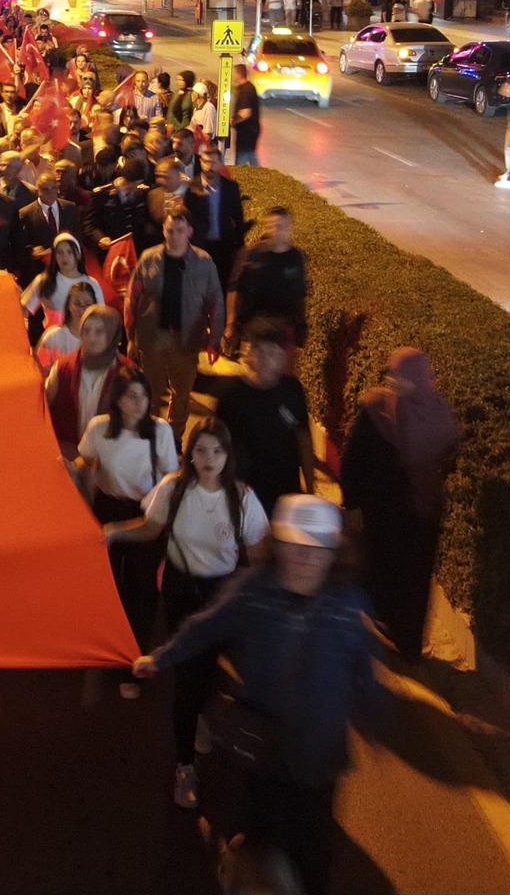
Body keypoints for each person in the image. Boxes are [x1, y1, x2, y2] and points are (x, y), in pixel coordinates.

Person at [133, 495, 379, 895]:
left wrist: (375, 712)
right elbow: (204, 627)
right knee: (260, 843)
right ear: (277, 545)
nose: (307, 558)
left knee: (314, 854)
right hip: (262, 749)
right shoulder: (253, 592)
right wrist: (162, 657)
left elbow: (363, 667)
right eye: (296, 546)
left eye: (319, 548)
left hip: (320, 755)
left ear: (334, 553)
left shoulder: (347, 605)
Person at [104, 418, 269, 810]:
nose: (209, 458)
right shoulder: (174, 488)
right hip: (181, 590)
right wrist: (114, 531)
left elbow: (259, 556)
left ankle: (198, 713)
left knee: (208, 669)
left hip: (221, 595)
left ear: (228, 455)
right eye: (201, 450)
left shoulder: (242, 498)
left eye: (217, 450)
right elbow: (151, 528)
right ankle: (184, 765)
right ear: (189, 453)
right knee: (188, 673)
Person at [340, 347, 460, 661]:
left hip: (421, 517)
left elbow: (447, 462)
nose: (393, 381)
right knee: (379, 572)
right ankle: (374, 630)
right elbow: (353, 459)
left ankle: (408, 645)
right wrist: (352, 503)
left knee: (414, 583)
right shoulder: (376, 408)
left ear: (418, 377)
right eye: (392, 373)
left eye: (401, 375)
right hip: (382, 514)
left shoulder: (438, 413)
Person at [74, 372, 177, 660]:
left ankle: (135, 650)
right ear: (117, 399)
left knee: (141, 585)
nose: (139, 403)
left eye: (144, 396)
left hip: (144, 511)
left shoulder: (160, 431)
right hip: (107, 506)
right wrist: (70, 468)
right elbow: (85, 460)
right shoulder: (100, 428)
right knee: (106, 580)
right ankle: (105, 641)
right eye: (132, 396)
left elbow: (170, 477)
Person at [205, 321, 318, 517]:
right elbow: (216, 445)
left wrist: (310, 487)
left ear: (282, 358)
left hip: (285, 493)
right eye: (260, 351)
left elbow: (303, 439)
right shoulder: (230, 394)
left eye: (273, 353)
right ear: (248, 353)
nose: (265, 359)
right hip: (243, 493)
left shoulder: (292, 391)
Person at [128, 201, 225, 426]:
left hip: (187, 339)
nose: (174, 236)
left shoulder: (203, 262)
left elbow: (216, 302)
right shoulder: (149, 258)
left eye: (180, 231)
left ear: (189, 231)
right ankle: (150, 431)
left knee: (181, 394)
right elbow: (132, 298)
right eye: (170, 230)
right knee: (150, 391)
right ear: (163, 230)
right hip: (153, 336)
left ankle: (174, 436)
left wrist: (214, 341)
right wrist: (131, 335)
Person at [229, 206, 307, 350]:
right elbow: (237, 289)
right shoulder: (253, 254)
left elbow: (299, 294)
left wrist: (301, 324)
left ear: (290, 228)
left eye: (282, 226)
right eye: (272, 226)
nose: (276, 231)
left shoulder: (295, 257)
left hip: (283, 331)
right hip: (254, 328)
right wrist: (232, 323)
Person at [20, 231, 101, 337]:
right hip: (55, 340)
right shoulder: (44, 281)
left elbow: (101, 317)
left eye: (69, 252)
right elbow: (24, 311)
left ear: (78, 254)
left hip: (86, 340)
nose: (64, 257)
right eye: (60, 252)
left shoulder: (91, 283)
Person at [33, 280, 97, 372]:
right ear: (69, 305)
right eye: (77, 304)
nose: (82, 309)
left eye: (88, 304)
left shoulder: (100, 338)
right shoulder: (54, 336)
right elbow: (39, 369)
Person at [229, 62, 262, 166]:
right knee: (250, 155)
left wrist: (233, 121)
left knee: (242, 157)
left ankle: (242, 175)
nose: (233, 76)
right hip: (249, 131)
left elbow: (245, 112)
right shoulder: (246, 88)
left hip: (247, 132)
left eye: (234, 73)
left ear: (239, 74)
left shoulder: (246, 90)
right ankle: (258, 173)